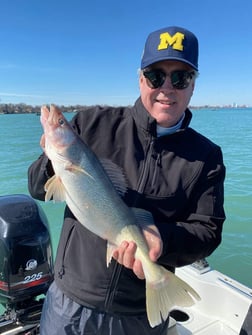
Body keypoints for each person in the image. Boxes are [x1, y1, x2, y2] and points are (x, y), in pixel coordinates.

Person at [28, 26, 226, 335]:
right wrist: (50, 163)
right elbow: (37, 188)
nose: (167, 88)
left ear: (193, 86)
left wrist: (163, 240)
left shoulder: (207, 157)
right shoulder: (91, 123)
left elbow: (208, 232)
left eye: (180, 78)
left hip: (138, 317)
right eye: (155, 75)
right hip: (69, 303)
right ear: (140, 79)